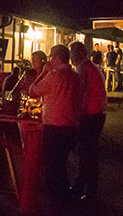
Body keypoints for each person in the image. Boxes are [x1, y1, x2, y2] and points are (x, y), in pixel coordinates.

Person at [29, 45, 83, 206]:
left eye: (52, 57)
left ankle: (59, 204)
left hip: (55, 127)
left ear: (58, 58)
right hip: (71, 127)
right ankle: (65, 198)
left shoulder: (55, 76)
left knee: (52, 167)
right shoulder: (75, 76)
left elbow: (33, 91)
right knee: (60, 166)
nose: (49, 60)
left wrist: (44, 72)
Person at [70, 41, 107, 201]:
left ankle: (88, 191)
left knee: (87, 153)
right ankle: (83, 186)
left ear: (78, 54)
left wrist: (76, 115)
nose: (70, 57)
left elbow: (81, 93)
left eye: (71, 53)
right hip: (98, 113)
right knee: (89, 153)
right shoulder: (92, 67)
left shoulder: (83, 69)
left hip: (90, 115)